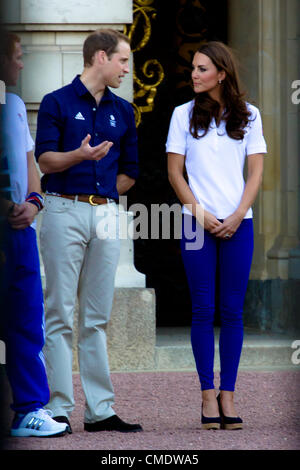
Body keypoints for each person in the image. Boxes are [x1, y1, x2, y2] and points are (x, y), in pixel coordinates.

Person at [35, 29, 141, 433]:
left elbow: (130, 172)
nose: (126, 69)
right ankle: (59, 407)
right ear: (101, 57)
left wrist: (102, 196)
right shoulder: (55, 102)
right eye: (123, 60)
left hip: (108, 214)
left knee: (96, 317)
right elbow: (44, 161)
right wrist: (78, 156)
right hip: (63, 210)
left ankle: (100, 411)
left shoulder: (125, 111)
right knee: (59, 311)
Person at [166, 41, 267, 430]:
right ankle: (207, 395)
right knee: (203, 310)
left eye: (202, 68)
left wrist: (238, 214)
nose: (194, 74)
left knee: (232, 312)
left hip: (240, 223)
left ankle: (229, 395)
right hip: (196, 224)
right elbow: (175, 173)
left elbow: (255, 173)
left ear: (221, 73)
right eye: (193, 67)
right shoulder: (181, 115)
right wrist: (202, 215)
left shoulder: (251, 116)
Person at [0, 31, 68, 437]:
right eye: (17, 56)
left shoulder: (14, 108)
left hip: (18, 234)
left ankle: (28, 411)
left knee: (26, 323)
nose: (21, 64)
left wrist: (33, 205)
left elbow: (32, 178)